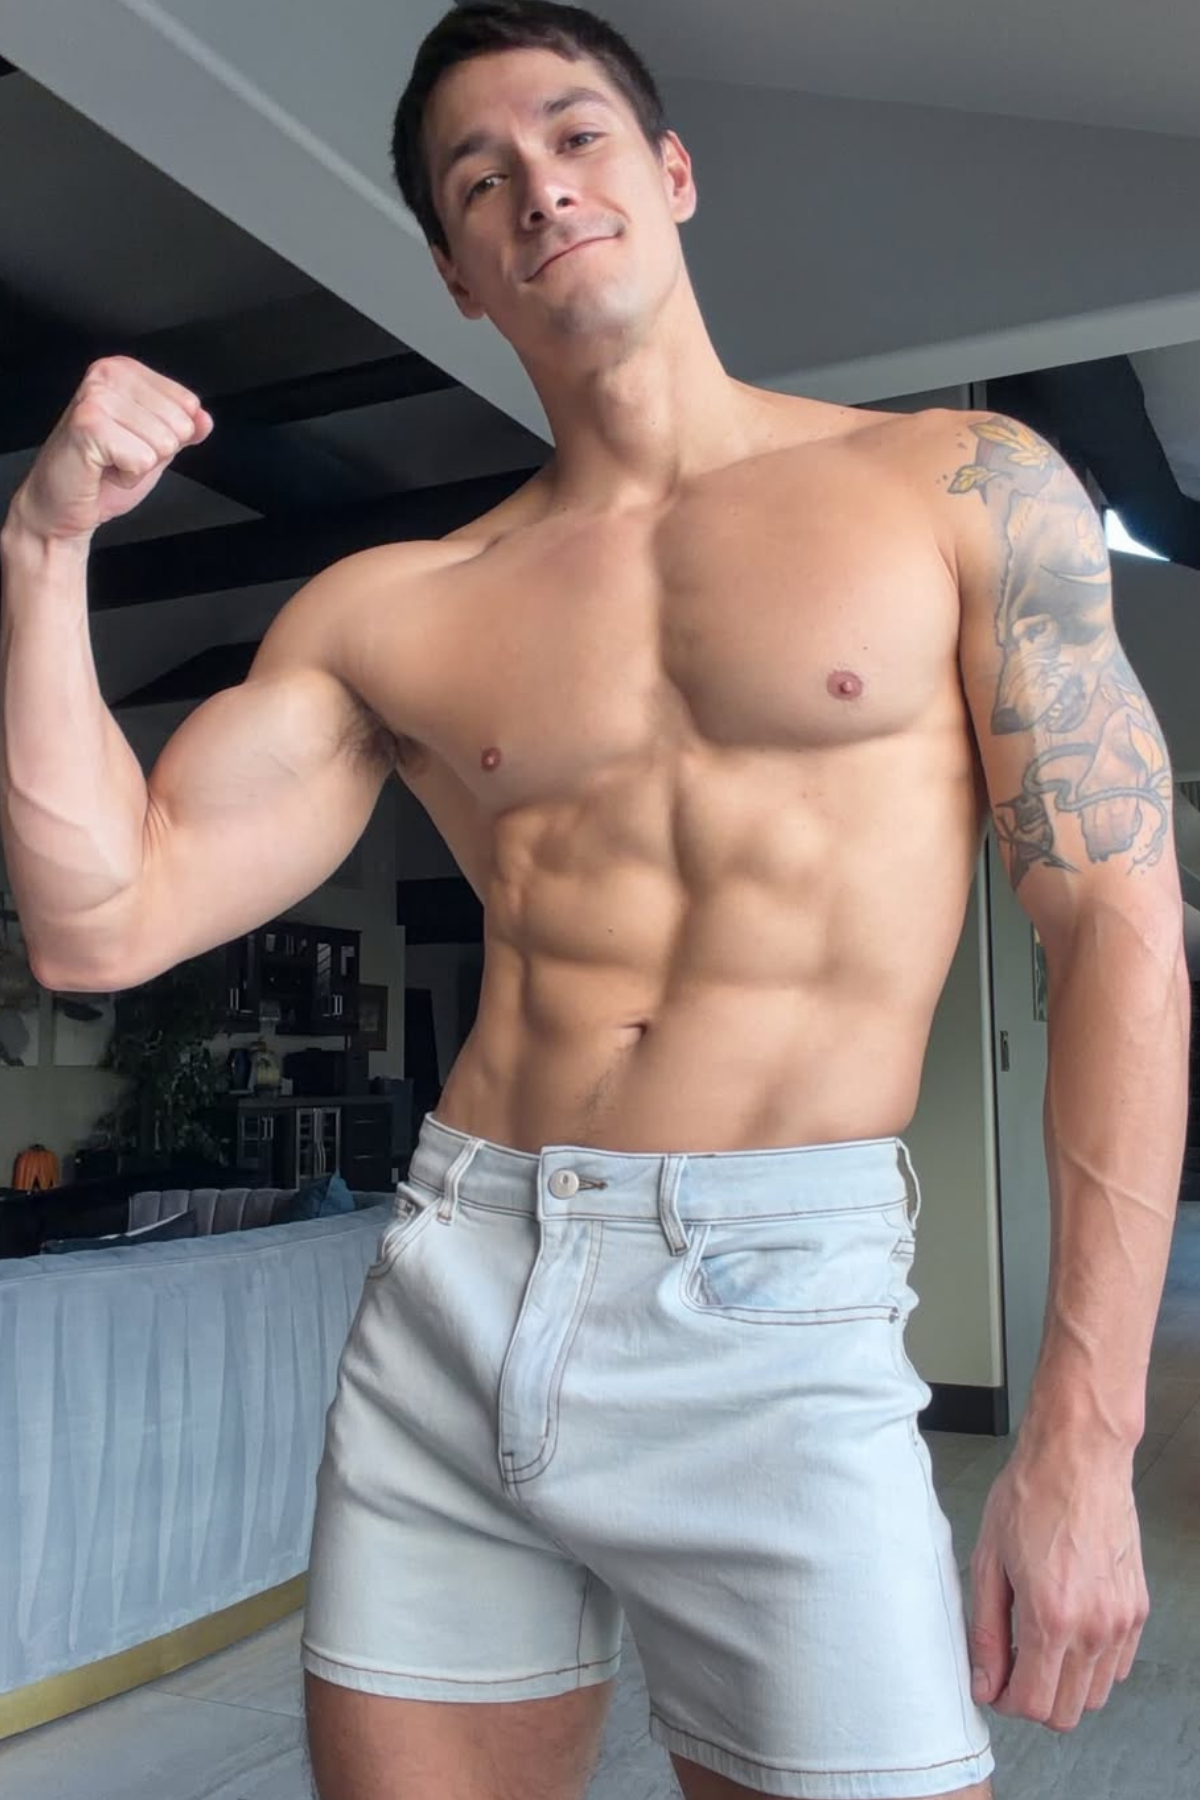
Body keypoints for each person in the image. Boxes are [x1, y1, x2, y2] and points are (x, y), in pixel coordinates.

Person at [0, 2, 1189, 1795]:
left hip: (779, 1310)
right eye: (481, 181)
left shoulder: (958, 490)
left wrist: (1087, 1433)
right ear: (456, 271)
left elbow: (1117, 929)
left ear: (672, 170)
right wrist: (44, 549)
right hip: (460, 1287)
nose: (540, 189)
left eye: (575, 137)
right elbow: (103, 919)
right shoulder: (396, 604)